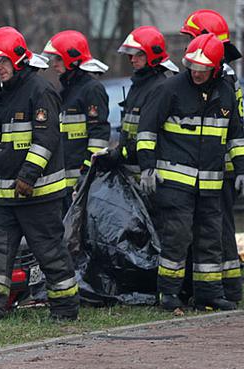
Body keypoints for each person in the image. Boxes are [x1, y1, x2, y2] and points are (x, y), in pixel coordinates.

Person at [0, 26, 79, 321]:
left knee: (49, 251)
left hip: (38, 194)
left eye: (3, 61)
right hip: (4, 194)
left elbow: (46, 139)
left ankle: (65, 307)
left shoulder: (40, 91)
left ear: (18, 59)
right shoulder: (4, 93)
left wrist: (28, 176)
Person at [135, 33, 244, 311]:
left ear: (216, 68)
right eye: (193, 67)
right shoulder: (170, 89)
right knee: (177, 237)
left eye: (203, 69)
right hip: (174, 182)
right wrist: (147, 166)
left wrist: (241, 169)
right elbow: (146, 129)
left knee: (210, 239)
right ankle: (168, 294)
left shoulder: (226, 93)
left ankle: (208, 293)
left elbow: (235, 137)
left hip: (211, 182)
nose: (196, 73)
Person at [179, 9, 243, 304]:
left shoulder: (222, 83)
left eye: (192, 39)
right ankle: (227, 288)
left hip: (219, 169)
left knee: (217, 231)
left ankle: (226, 289)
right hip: (218, 168)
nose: (189, 47)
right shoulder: (225, 78)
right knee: (218, 230)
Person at [42, 31, 110, 213]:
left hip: (81, 179)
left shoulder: (92, 89)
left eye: (58, 59)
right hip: (64, 181)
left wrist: (88, 172)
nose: (54, 64)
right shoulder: (66, 91)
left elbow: (99, 134)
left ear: (72, 59)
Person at [96, 26, 178, 173]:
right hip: (133, 168)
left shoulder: (159, 87)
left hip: (152, 171)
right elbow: (128, 134)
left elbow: (149, 135)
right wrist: (115, 155)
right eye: (131, 55)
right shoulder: (138, 85)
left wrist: (148, 169)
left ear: (153, 55)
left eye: (139, 54)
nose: (132, 59)